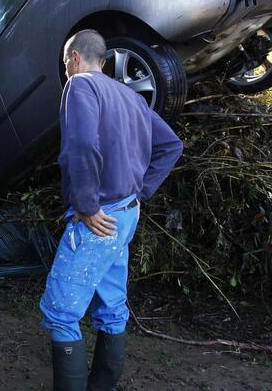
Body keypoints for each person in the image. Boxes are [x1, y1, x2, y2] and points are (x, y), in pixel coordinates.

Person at [39, 30, 183, 391]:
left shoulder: (80, 86)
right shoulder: (131, 97)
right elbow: (170, 145)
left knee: (60, 313)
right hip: (126, 214)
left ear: (73, 59)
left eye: (65, 64)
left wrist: (86, 205)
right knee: (111, 305)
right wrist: (141, 191)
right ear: (104, 62)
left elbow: (82, 144)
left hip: (98, 218)